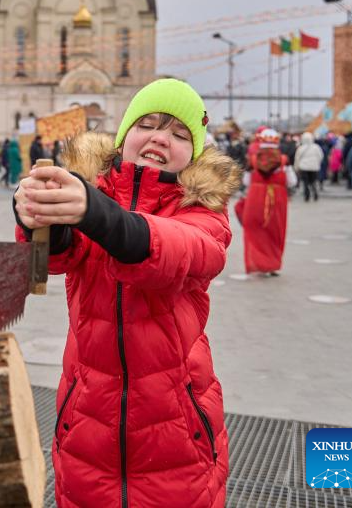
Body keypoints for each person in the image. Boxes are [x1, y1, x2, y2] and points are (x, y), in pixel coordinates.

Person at [13, 78, 239, 508]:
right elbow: (56, 257)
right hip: (87, 419)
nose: (160, 138)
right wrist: (36, 215)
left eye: (178, 133)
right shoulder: (92, 190)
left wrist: (99, 215)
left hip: (176, 427)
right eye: (147, 125)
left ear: (193, 153)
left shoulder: (203, 210)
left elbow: (183, 249)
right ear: (124, 136)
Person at [236, 128, 289, 276]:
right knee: (275, 232)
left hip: (255, 199)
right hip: (277, 200)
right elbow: (292, 181)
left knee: (255, 231)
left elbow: (246, 181)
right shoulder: (283, 161)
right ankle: (272, 264)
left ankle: (260, 263)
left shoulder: (253, 161)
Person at [294, 132, 325, 203]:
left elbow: (297, 158)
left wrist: (296, 167)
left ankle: (307, 195)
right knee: (313, 181)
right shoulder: (316, 147)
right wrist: (317, 163)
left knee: (305, 182)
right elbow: (321, 156)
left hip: (304, 167)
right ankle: (315, 192)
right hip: (314, 167)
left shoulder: (301, 148)